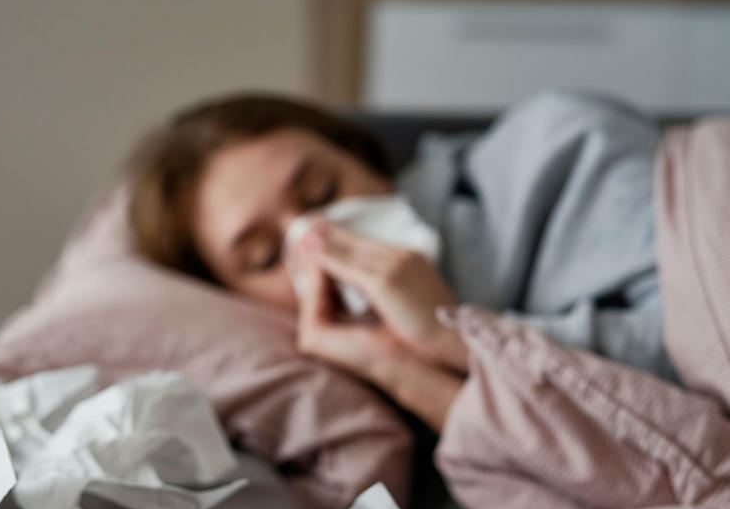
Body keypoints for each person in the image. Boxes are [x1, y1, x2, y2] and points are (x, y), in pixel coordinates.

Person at [126, 90, 674, 432]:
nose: (316, 238)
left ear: (369, 166)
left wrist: (454, 335)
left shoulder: (559, 145)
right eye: (266, 256)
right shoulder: (343, 403)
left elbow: (715, 351)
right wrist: (398, 366)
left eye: (321, 191)